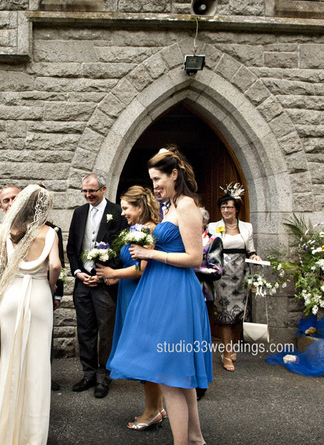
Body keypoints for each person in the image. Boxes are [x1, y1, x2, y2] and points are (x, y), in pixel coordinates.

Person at [107, 147, 212, 445]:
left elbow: (194, 258)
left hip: (176, 293)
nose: (154, 185)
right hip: (161, 290)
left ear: (174, 174)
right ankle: (195, 438)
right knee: (180, 374)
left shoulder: (188, 205)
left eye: (158, 178)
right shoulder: (170, 207)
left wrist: (151, 253)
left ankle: (186, 442)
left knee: (170, 375)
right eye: (151, 179)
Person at [0, 185, 61, 445]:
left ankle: (5, 430)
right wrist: (50, 285)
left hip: (11, 296)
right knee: (37, 363)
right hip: (39, 296)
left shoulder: (6, 232)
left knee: (10, 361)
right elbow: (56, 265)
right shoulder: (51, 233)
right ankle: (34, 436)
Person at [95, 186, 166, 430]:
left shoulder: (150, 230)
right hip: (130, 293)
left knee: (145, 352)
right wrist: (117, 278)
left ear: (139, 206)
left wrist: (114, 272)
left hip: (143, 296)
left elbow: (143, 268)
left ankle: (152, 411)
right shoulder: (136, 229)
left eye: (126, 208)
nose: (123, 212)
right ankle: (157, 407)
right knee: (142, 350)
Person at [66, 173, 127, 398]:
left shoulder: (117, 212)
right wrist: (78, 272)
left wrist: (104, 274)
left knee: (106, 331)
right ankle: (88, 374)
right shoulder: (79, 213)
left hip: (106, 281)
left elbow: (122, 248)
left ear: (103, 189)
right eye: (84, 191)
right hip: (83, 282)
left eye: (92, 190)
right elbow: (71, 248)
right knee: (85, 329)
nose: (88, 195)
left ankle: (104, 376)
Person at [207, 184, 262, 372]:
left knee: (240, 314)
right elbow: (209, 249)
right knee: (225, 315)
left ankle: (233, 347)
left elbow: (251, 249)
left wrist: (255, 256)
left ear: (236, 209)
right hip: (222, 275)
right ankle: (226, 352)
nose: (226, 210)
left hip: (242, 273)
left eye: (229, 207)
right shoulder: (213, 227)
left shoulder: (247, 227)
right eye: (223, 207)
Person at [193, 207, 223, 400]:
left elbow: (217, 270)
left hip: (202, 293)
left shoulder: (213, 240)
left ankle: (200, 382)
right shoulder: (183, 237)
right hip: (182, 291)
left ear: (204, 222)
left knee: (200, 338)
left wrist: (193, 267)